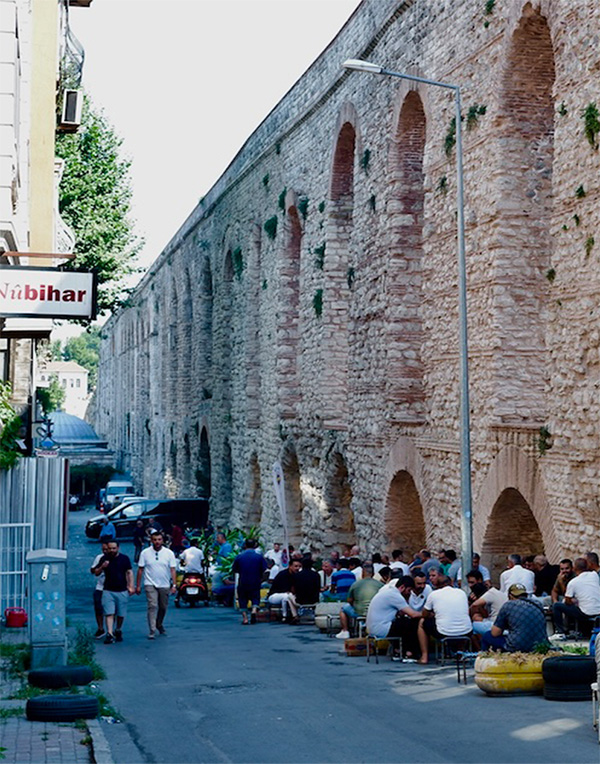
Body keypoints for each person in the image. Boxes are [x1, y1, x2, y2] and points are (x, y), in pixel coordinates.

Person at [417, 574, 472, 664]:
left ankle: (424, 656)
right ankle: (460, 653)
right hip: (466, 631)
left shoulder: (434, 594)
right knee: (462, 621)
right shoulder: (461, 592)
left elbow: (424, 614)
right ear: (451, 583)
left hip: (444, 632)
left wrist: (433, 614)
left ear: (437, 585)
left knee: (422, 622)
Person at [482, 583, 549, 652]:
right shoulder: (537, 604)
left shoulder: (508, 605)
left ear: (510, 596)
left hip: (518, 646)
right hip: (541, 646)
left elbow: (495, 633)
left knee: (487, 636)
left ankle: (486, 658)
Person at [366, 575, 422, 659]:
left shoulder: (388, 592)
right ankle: (409, 652)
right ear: (402, 587)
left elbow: (401, 613)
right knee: (411, 624)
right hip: (381, 628)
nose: (409, 593)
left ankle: (398, 650)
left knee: (403, 622)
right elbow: (413, 614)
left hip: (373, 627)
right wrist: (427, 614)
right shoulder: (395, 596)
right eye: (409, 590)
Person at [136, 531, 177, 639]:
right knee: (152, 605)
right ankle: (152, 629)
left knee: (163, 607)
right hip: (150, 583)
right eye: (155, 540)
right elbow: (140, 569)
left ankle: (159, 623)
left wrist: (174, 585)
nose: (157, 542)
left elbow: (172, 569)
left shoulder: (169, 553)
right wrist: (138, 585)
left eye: (159, 539)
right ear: (151, 540)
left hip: (164, 583)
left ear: (162, 540)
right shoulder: (145, 553)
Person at [93, 540, 134, 644]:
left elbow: (129, 572)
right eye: (110, 548)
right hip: (108, 590)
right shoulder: (104, 558)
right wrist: (102, 566)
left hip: (122, 589)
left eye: (114, 548)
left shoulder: (124, 559)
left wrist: (130, 586)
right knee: (109, 613)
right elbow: (96, 573)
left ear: (118, 548)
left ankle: (118, 629)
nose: (111, 550)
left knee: (120, 613)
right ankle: (109, 633)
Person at [552, 556, 600, 638]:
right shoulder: (594, 575)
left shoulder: (573, 582)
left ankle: (560, 632)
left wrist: (575, 602)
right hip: (598, 610)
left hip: (585, 613)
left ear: (574, 568)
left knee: (557, 606)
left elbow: (567, 601)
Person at [335, 562, 382, 639]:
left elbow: (349, 600)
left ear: (362, 573)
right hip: (375, 612)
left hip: (359, 612)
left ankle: (345, 631)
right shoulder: (380, 585)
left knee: (343, 609)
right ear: (373, 573)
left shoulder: (355, 584)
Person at [232, 539, 267, 625]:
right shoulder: (259, 557)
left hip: (243, 581)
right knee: (255, 597)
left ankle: (245, 619)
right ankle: (254, 610)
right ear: (255, 545)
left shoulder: (239, 557)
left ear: (245, 545)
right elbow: (264, 569)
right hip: (255, 581)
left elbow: (234, 569)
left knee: (242, 599)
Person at [91, 542, 109, 639]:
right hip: (100, 586)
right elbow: (93, 570)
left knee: (111, 609)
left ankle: (111, 629)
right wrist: (101, 566)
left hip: (112, 587)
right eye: (103, 549)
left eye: (107, 549)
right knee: (98, 607)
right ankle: (101, 627)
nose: (105, 551)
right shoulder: (100, 558)